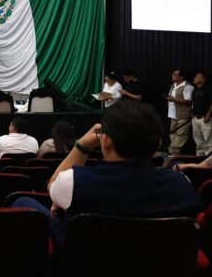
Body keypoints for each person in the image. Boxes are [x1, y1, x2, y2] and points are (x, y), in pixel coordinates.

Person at [12, 101, 202, 245]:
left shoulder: (73, 181)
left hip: (86, 266)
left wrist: (82, 146)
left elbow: (52, 183)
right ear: (159, 143)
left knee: (22, 202)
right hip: (158, 268)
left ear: (106, 141)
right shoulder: (181, 183)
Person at [166, 69, 194, 155]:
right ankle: (172, 151)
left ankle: (175, 152)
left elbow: (188, 101)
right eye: (172, 74)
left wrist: (174, 99)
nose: (172, 76)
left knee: (181, 133)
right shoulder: (173, 85)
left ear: (181, 76)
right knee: (173, 132)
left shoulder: (187, 86)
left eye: (175, 74)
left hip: (183, 114)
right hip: (173, 114)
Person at [191, 71, 212, 156]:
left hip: (205, 118)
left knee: (208, 140)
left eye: (197, 76)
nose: (194, 78)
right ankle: (199, 157)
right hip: (196, 118)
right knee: (198, 140)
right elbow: (193, 103)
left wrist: (208, 114)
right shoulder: (195, 90)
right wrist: (192, 113)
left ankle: (208, 160)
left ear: (203, 79)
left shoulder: (209, 89)